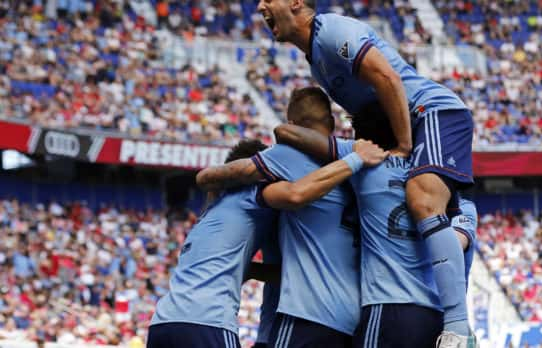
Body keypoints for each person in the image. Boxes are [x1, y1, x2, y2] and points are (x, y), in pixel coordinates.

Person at [256, 1, 475, 346]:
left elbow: (386, 76)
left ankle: (460, 327)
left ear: (296, 3)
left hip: (431, 114)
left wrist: (402, 146)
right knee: (441, 211)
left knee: (423, 201)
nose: (260, 6)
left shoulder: (332, 33)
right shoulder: (317, 60)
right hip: (411, 128)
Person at [196, 87, 386, 347]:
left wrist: (210, 185)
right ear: (331, 123)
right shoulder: (364, 167)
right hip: (353, 320)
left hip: (305, 315)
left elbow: (215, 175)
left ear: (294, 126)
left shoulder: (288, 157)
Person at [148, 140, 278, 348]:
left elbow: (235, 269)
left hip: (162, 323)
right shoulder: (255, 195)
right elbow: (296, 194)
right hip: (206, 322)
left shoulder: (210, 211)